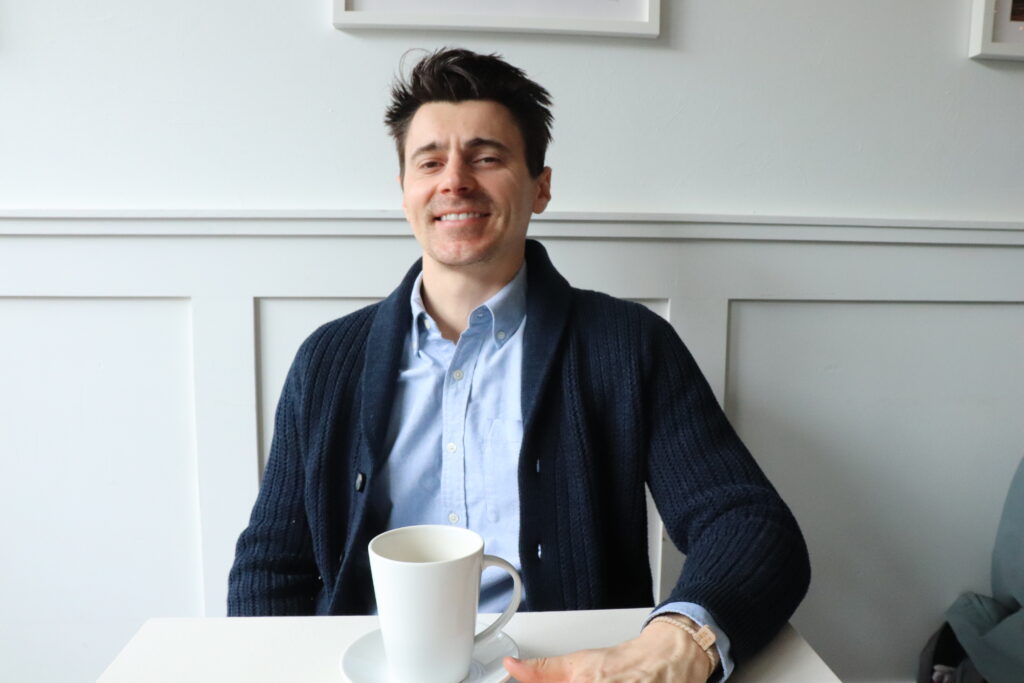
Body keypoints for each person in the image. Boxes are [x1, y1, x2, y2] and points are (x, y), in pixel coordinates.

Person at [228, 47, 810, 682]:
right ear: (405, 191)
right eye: (430, 162)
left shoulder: (629, 345)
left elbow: (747, 524)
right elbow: (271, 566)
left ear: (541, 187)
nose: (454, 181)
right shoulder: (327, 360)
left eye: (486, 157)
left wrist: (676, 646)